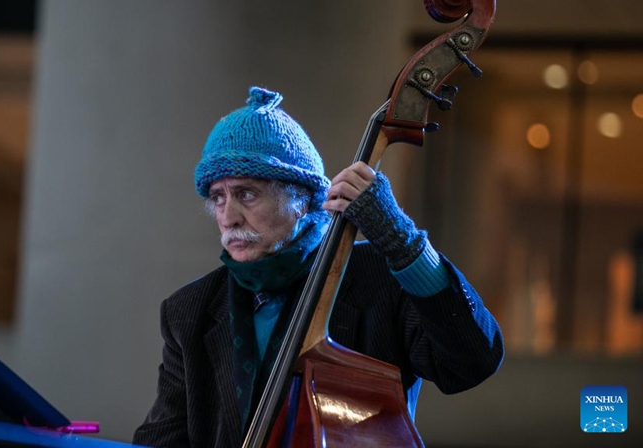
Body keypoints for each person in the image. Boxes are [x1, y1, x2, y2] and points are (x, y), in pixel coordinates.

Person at [133, 86, 503, 447]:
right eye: (218, 197)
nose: (228, 216)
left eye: (246, 194)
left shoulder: (379, 276)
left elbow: (472, 362)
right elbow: (161, 439)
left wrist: (403, 243)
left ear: (301, 199)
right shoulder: (189, 310)